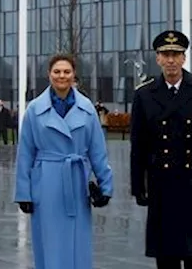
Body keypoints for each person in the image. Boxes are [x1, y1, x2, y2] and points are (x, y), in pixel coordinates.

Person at [130, 30, 192, 269]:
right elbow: (138, 145)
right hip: (162, 185)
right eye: (165, 54)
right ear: (157, 58)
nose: (171, 60)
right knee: (167, 257)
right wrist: (138, 187)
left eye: (176, 54)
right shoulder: (144, 94)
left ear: (184, 58)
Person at [14, 54, 113, 269]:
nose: (62, 76)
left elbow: (98, 150)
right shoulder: (34, 109)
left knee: (78, 243)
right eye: (57, 71)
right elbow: (25, 153)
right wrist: (23, 192)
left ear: (74, 75)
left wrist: (106, 186)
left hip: (76, 182)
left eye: (67, 72)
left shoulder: (87, 108)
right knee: (49, 242)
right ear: (49, 75)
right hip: (45, 184)